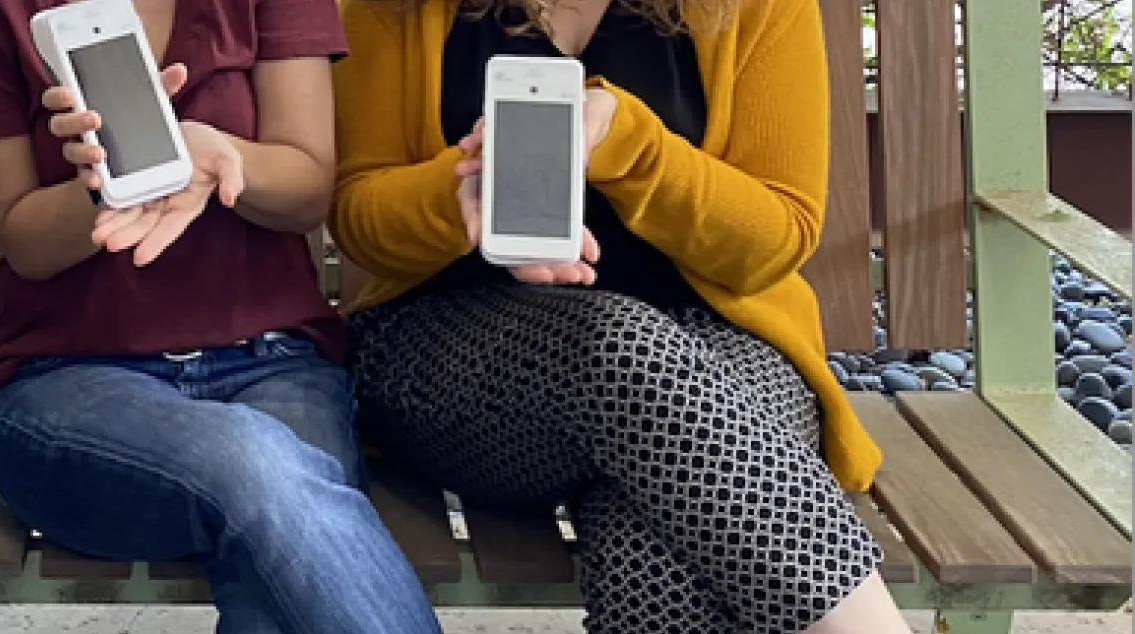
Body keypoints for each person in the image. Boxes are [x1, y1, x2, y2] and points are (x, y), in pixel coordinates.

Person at [330, 0, 909, 632]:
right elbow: (362, 218)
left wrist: (629, 145)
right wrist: (462, 192)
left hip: (721, 347)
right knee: (617, 346)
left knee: (655, 519)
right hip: (455, 359)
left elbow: (779, 236)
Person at [0, 0, 445, 631]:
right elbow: (23, 239)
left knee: (276, 575)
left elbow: (307, 187)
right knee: (260, 470)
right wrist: (109, 184)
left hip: (274, 363)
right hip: (65, 381)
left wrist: (218, 157)